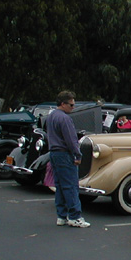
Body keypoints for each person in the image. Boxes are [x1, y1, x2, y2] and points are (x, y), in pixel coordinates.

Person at [45, 90, 90, 228]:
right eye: (71, 105)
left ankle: (61, 215)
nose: (73, 107)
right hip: (65, 154)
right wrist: (78, 154)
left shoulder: (51, 116)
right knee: (71, 186)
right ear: (63, 104)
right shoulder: (65, 119)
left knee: (59, 186)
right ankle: (75, 216)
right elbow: (71, 139)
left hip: (54, 153)